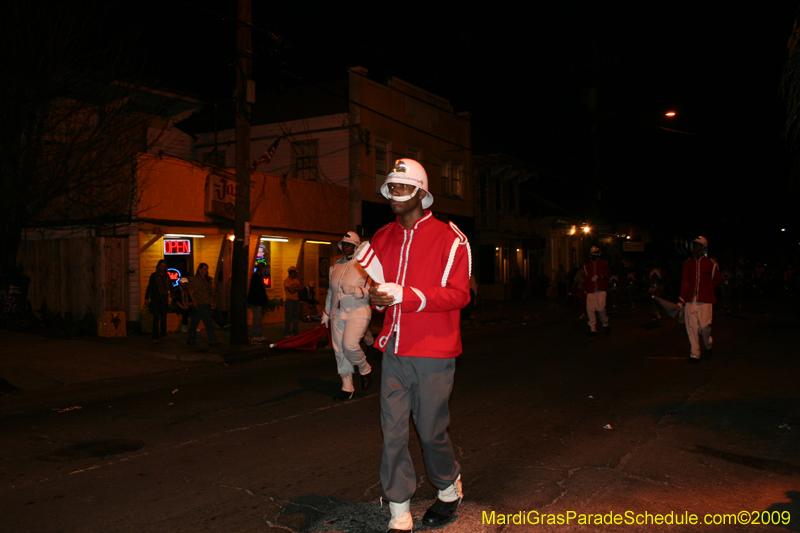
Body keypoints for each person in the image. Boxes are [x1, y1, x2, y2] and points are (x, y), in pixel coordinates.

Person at [366, 158, 471, 532]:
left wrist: (406, 295)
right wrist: (376, 297)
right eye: (391, 187)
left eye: (402, 187)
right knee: (392, 431)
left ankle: (447, 485)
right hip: (393, 348)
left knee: (429, 430)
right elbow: (377, 289)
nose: (395, 194)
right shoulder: (381, 237)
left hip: (433, 350)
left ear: (421, 193)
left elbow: (459, 295)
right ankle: (398, 506)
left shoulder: (451, 239)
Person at [322, 231, 373, 401]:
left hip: (358, 311)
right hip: (338, 313)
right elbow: (331, 292)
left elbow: (375, 292)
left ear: (357, 246)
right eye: (344, 244)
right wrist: (326, 312)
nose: (346, 247)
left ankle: (365, 369)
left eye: (349, 244)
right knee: (339, 350)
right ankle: (347, 386)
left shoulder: (366, 266)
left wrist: (356, 291)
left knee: (350, 346)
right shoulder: (336, 266)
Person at [678, 236, 721, 364]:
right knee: (691, 327)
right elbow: (685, 281)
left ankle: (708, 345)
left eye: (697, 245)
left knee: (704, 326)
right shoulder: (688, 263)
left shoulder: (711, 263)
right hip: (691, 300)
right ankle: (695, 354)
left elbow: (717, 279)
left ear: (703, 248)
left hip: (705, 300)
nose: (694, 247)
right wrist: (681, 300)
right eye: (694, 245)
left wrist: (707, 288)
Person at [187, 263, 220, 346]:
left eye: (206, 269)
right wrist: (194, 301)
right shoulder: (197, 279)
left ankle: (213, 340)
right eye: (204, 269)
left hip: (206, 303)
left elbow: (211, 291)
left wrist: (213, 300)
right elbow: (190, 290)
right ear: (200, 270)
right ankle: (191, 339)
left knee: (209, 323)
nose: (206, 271)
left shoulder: (207, 280)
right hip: (199, 303)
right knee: (195, 322)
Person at [584, 245, 610, 336]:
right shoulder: (587, 265)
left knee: (600, 308)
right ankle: (593, 328)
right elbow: (586, 278)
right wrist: (586, 289)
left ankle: (605, 323)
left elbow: (607, 274)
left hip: (601, 289)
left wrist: (599, 276)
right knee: (590, 309)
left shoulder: (603, 263)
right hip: (591, 289)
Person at [144, 259, 170, 343]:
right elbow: (150, 287)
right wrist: (147, 298)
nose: (163, 268)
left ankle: (163, 334)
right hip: (155, 299)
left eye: (164, 266)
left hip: (164, 299)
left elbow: (171, 287)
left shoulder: (166, 276)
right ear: (158, 267)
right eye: (161, 266)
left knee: (163, 317)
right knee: (156, 318)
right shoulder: (154, 276)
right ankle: (155, 336)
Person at [247, 263, 270, 344]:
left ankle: (259, 335)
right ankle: (256, 336)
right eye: (264, 268)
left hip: (258, 301)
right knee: (257, 319)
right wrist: (256, 301)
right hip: (256, 302)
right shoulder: (256, 277)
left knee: (259, 319)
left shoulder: (259, 276)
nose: (265, 270)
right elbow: (255, 290)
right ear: (261, 268)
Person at [283, 266, 302, 338]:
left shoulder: (296, 280)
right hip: (290, 301)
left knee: (296, 317)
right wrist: (297, 288)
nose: (296, 274)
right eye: (295, 273)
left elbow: (301, 287)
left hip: (296, 301)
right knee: (288, 317)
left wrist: (295, 288)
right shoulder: (286, 281)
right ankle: (286, 333)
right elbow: (291, 291)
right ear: (292, 273)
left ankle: (295, 332)